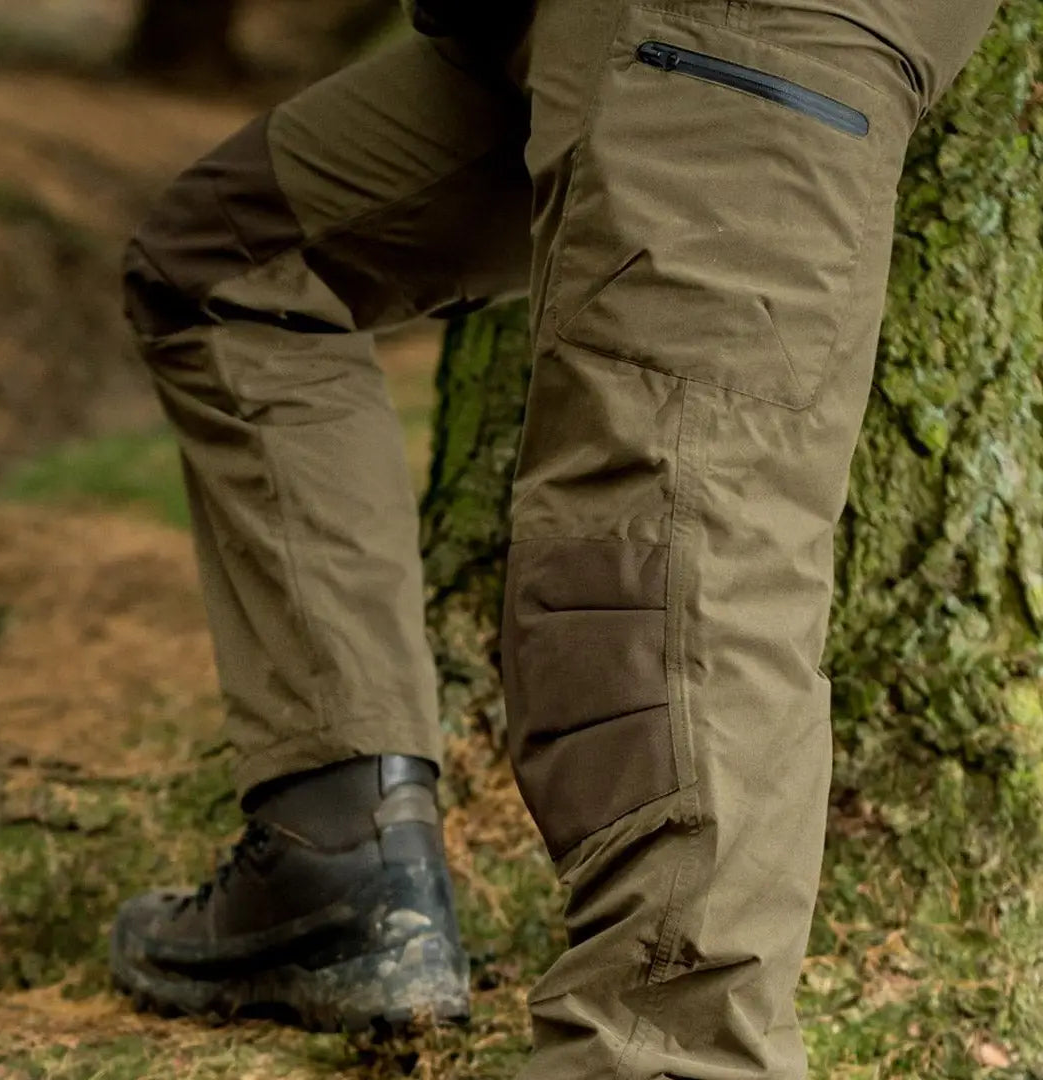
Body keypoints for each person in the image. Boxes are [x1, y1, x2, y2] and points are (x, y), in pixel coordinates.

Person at [110, 1, 999, 1076]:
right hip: (545, 24)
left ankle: (669, 1053)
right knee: (229, 262)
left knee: (659, 546)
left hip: (736, 22)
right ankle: (337, 853)